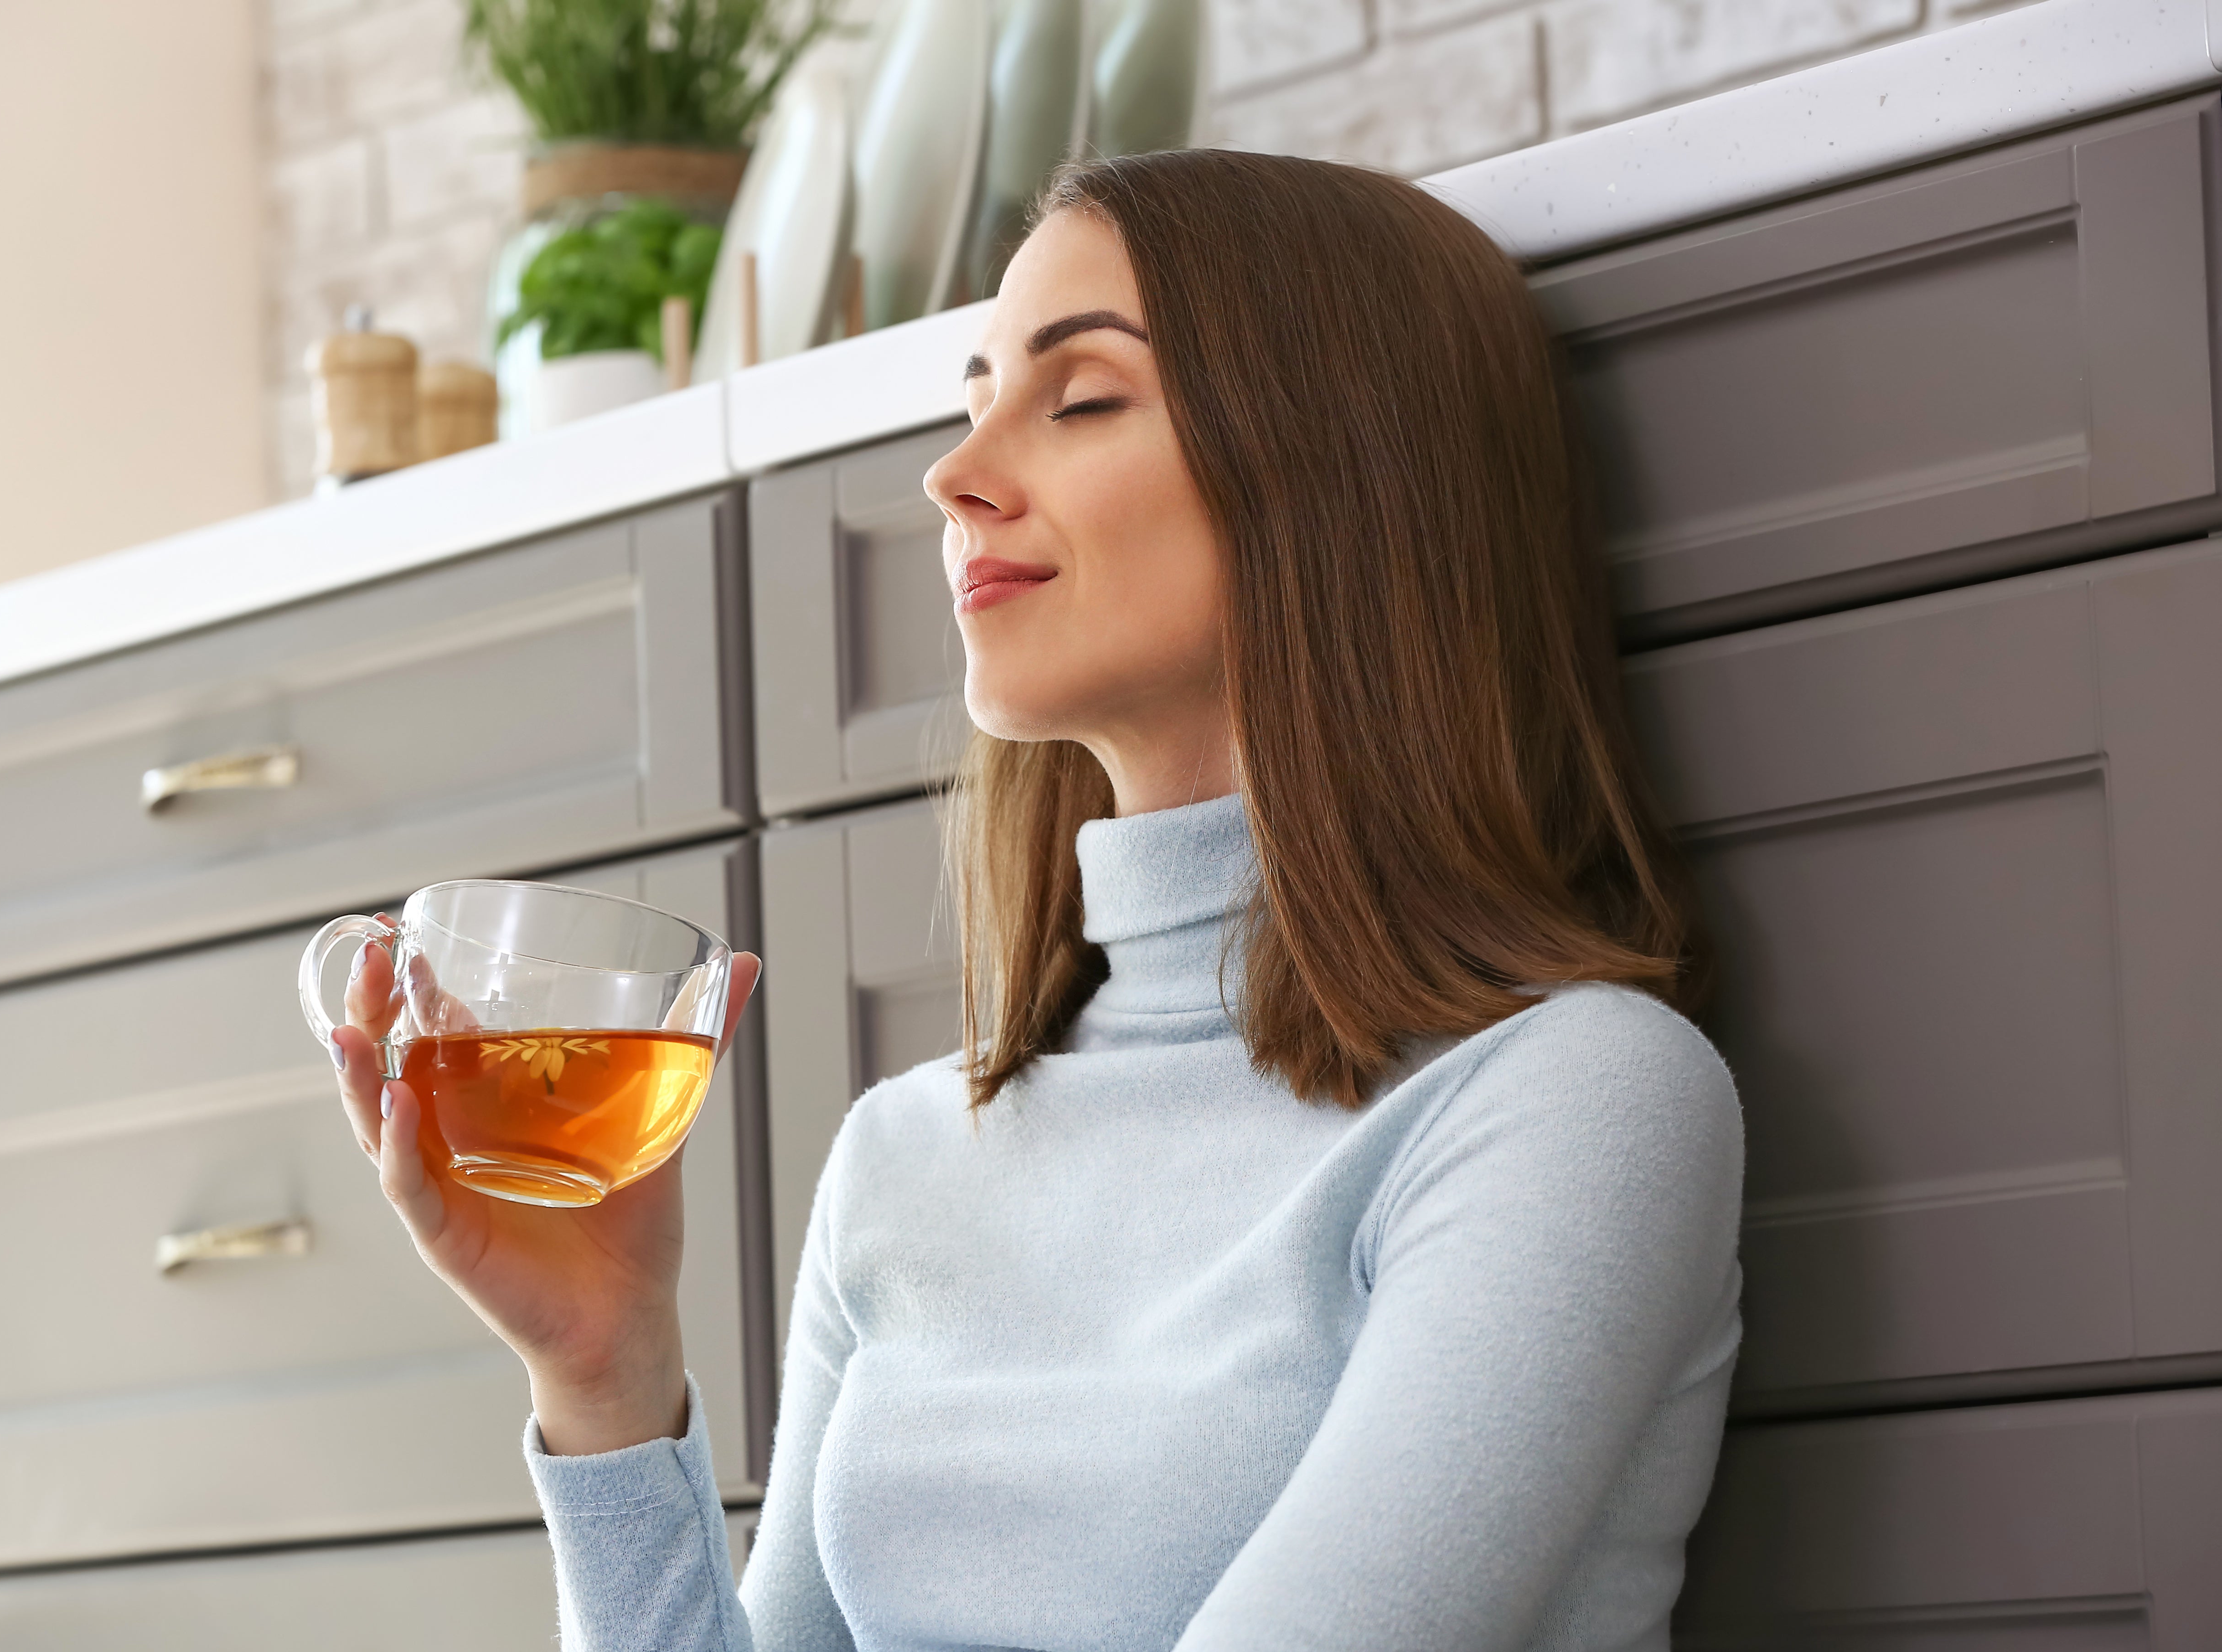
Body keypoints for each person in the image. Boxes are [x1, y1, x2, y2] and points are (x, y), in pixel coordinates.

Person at [329, 147, 1742, 1650]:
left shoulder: (1571, 1101)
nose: (953, 475)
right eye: (975, 396)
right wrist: (603, 1376)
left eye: (1080, 401)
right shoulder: (907, 1156)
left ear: (1344, 472)